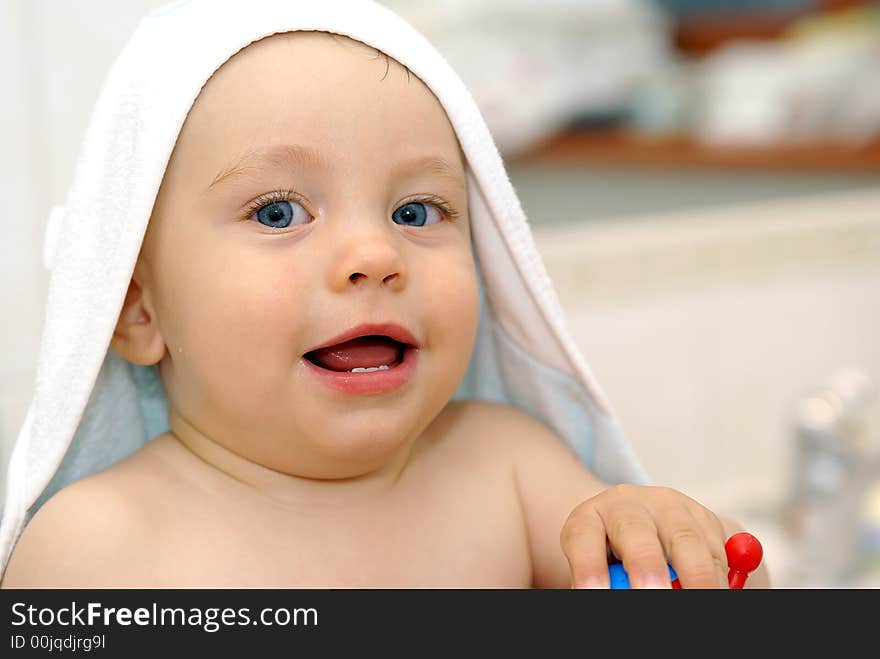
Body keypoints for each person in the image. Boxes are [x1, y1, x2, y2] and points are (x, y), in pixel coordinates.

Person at [0, 0, 768, 588]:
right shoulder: (95, 549)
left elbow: (738, 585)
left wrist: (674, 536)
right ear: (138, 309)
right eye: (277, 212)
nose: (375, 254)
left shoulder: (505, 468)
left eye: (415, 212)